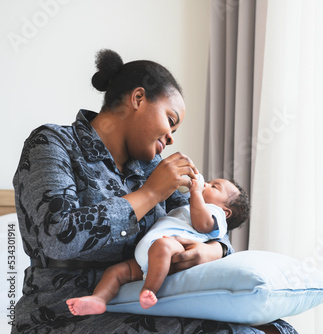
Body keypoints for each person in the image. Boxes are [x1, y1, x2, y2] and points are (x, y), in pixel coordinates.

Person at [12, 49, 297, 334]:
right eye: (171, 120)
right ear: (138, 99)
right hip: (61, 313)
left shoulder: (152, 168)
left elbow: (206, 227)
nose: (172, 137)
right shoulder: (52, 143)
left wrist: (213, 250)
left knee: (276, 329)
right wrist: (149, 194)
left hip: (144, 301)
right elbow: (57, 237)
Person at [66, 176, 249, 315]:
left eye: (214, 187)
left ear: (226, 212)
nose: (206, 184)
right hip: (145, 256)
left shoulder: (214, 215)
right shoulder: (191, 206)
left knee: (163, 246)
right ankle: (99, 299)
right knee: (115, 272)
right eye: (208, 182)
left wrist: (195, 193)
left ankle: (149, 290)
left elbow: (202, 224)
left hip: (173, 249)